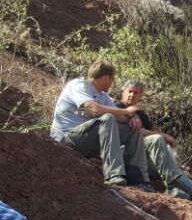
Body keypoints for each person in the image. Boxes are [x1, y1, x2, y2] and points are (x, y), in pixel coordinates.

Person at [117, 79, 192, 207]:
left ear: (141, 95)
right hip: (128, 156)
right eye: (130, 91)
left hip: (144, 159)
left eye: (136, 92)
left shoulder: (141, 114)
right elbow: (135, 131)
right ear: (123, 91)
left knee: (165, 153)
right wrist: (163, 136)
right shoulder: (117, 108)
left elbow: (154, 132)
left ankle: (177, 188)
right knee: (157, 140)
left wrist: (163, 140)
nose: (132, 95)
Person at [50, 61, 151, 190]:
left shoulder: (103, 96)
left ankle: (139, 180)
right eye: (112, 79)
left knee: (132, 128)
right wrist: (126, 111)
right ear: (106, 78)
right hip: (65, 139)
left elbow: (121, 116)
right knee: (107, 118)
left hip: (86, 139)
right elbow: (94, 110)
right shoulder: (79, 85)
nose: (112, 83)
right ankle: (114, 174)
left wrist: (133, 117)